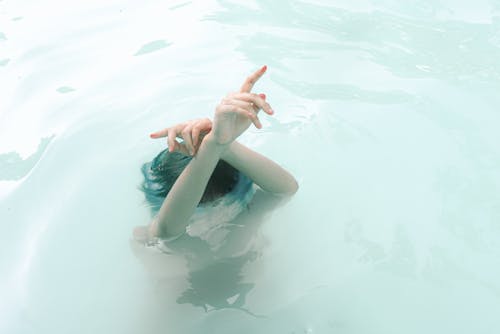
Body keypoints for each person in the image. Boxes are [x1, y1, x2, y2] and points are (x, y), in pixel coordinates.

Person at [133, 65, 298, 245]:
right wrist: (211, 149)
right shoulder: (150, 237)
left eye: (224, 206)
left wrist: (223, 146)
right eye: (197, 214)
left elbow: (287, 189)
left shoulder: (245, 211)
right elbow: (167, 231)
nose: (216, 220)